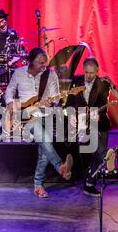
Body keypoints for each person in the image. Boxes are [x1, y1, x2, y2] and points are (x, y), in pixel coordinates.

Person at [5, 47, 73, 198]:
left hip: (46, 114)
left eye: (45, 63)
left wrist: (52, 101)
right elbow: (9, 91)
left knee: (44, 151)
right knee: (46, 140)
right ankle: (60, 167)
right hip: (27, 116)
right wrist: (10, 103)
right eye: (40, 63)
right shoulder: (19, 73)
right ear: (31, 62)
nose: (44, 66)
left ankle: (38, 185)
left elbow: (56, 97)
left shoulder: (51, 74)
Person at [66, 57, 118, 196]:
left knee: (101, 152)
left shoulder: (103, 84)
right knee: (86, 153)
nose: (89, 76)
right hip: (81, 122)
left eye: (91, 73)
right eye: (86, 72)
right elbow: (69, 102)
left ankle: (90, 182)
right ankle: (88, 180)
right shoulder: (76, 81)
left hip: (100, 122)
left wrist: (112, 84)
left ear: (97, 71)